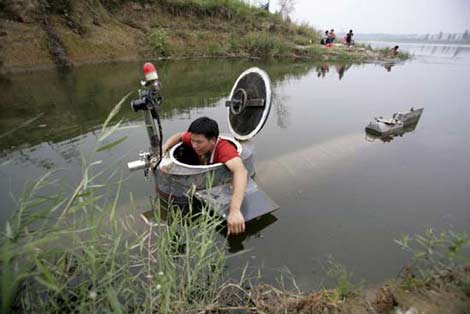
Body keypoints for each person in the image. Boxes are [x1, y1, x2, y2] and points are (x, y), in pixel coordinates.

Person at [162, 117, 247, 235]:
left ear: (212, 140)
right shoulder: (196, 140)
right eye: (192, 141)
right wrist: (164, 148)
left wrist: (235, 210)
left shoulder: (224, 149)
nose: (194, 145)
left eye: (199, 142)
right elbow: (180, 136)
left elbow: (241, 172)